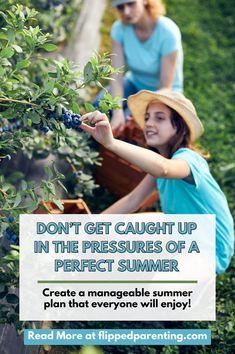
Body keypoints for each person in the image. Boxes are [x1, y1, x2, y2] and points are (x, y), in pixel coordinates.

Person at [80, 89, 234, 274]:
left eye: (159, 118)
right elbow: (132, 200)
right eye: (147, 118)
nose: (149, 124)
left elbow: (164, 168)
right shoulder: (162, 163)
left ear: (179, 127)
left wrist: (111, 143)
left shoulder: (188, 159)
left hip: (209, 250)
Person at [95, 0, 183, 134]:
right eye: (120, 7)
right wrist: (117, 111)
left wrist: (135, 112)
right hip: (134, 83)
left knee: (129, 124)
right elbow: (116, 76)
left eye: (131, 4)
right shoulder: (119, 29)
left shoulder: (168, 32)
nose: (126, 12)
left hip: (161, 94)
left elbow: (166, 87)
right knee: (100, 104)